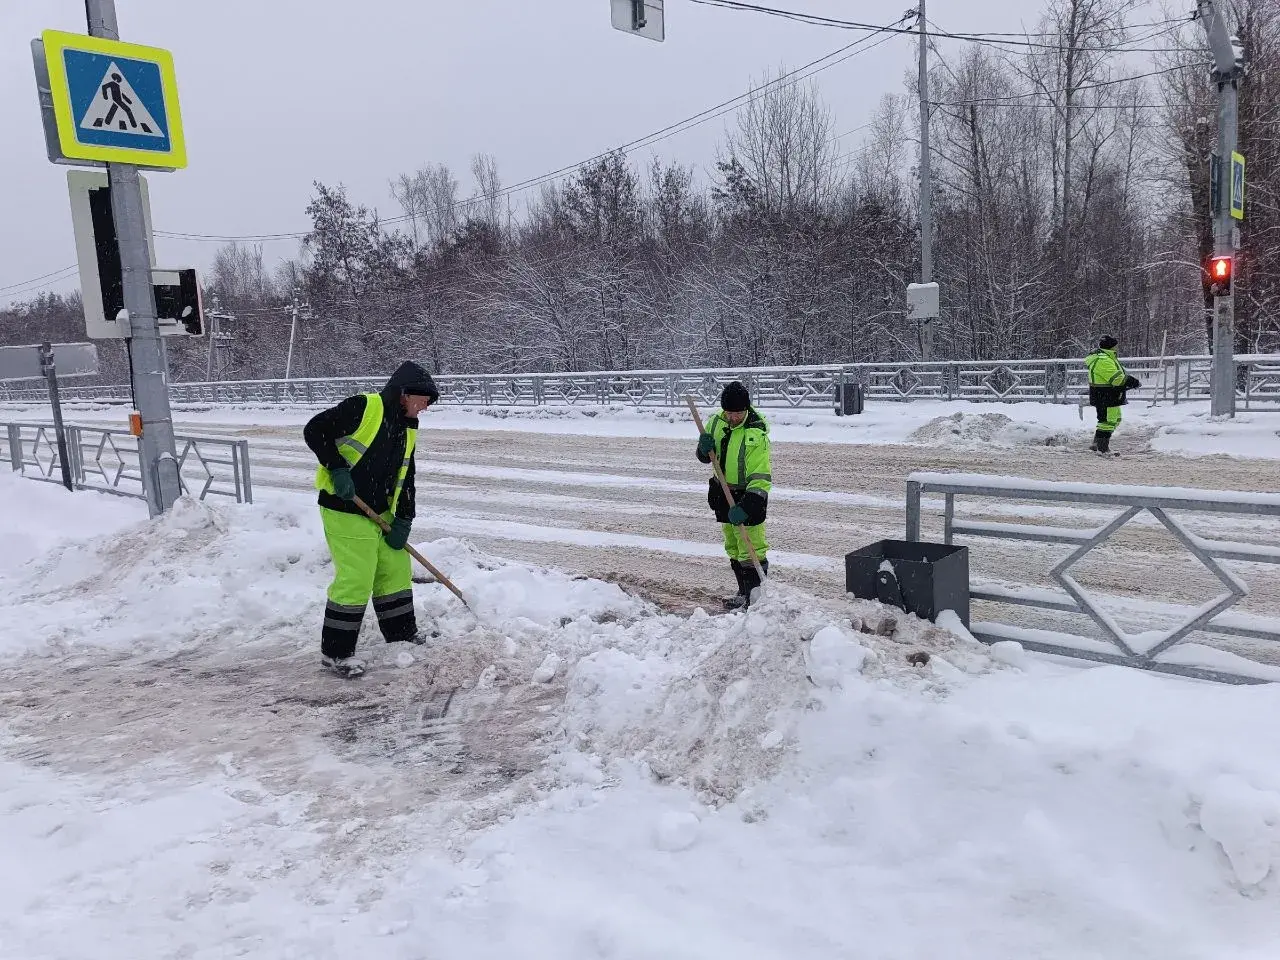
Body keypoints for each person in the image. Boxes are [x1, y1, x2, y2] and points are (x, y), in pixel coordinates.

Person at [303, 362, 439, 678]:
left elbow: (408, 475)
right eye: (423, 401)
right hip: (345, 506)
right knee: (357, 577)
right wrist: (336, 468)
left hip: (382, 511)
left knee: (395, 570)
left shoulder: (407, 427)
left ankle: (401, 635)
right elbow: (315, 429)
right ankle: (335, 653)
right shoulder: (364, 407)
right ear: (405, 394)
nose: (424, 409)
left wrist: (405, 519)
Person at [696, 381, 772, 609]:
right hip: (722, 491)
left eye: (738, 413)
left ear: (746, 410)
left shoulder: (755, 433)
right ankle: (743, 592)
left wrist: (747, 505)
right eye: (729, 413)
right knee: (732, 545)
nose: (733, 418)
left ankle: (755, 599)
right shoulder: (716, 422)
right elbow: (705, 457)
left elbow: (761, 476)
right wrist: (703, 448)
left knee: (752, 547)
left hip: (748, 496)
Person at [1084, 335, 1139, 455]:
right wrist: (1131, 381)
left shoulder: (1106, 357)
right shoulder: (1103, 360)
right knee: (1108, 421)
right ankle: (1102, 449)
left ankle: (1097, 444)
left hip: (1108, 395)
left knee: (1113, 419)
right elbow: (1116, 379)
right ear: (1111, 346)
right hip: (1105, 395)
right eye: (1115, 346)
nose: (1117, 348)